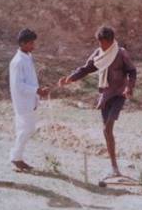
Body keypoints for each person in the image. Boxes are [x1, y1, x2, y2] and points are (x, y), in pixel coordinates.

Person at [58, 26, 137, 177]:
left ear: (111, 41)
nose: (101, 46)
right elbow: (86, 69)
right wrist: (70, 78)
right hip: (105, 94)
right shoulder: (99, 54)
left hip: (119, 93)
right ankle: (113, 165)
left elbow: (132, 71)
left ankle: (114, 167)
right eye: (99, 43)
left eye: (104, 43)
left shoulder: (121, 53)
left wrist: (129, 87)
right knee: (106, 131)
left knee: (107, 128)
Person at [8, 29, 50, 172]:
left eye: (33, 42)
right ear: (22, 43)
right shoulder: (17, 61)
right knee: (27, 129)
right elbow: (18, 85)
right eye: (31, 43)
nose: (33, 45)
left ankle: (17, 157)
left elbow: (29, 80)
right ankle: (16, 157)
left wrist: (38, 90)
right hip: (23, 101)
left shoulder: (28, 56)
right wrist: (37, 90)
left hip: (30, 100)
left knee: (25, 129)